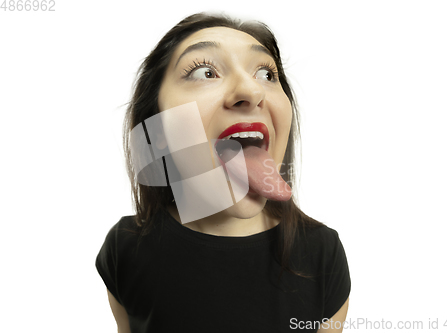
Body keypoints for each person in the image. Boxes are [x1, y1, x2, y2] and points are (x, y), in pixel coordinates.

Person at [96, 12, 350, 332]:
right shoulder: (126, 248)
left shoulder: (321, 254)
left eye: (266, 73)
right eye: (205, 71)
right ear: (156, 128)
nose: (252, 90)